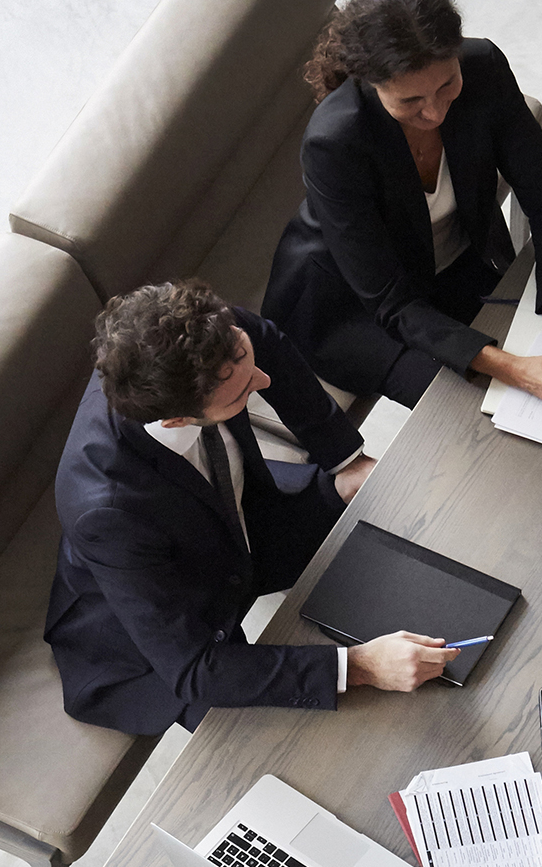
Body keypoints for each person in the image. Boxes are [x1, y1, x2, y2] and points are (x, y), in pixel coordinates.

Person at [47, 279, 453, 735]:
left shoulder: (205, 333)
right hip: (161, 630)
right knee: (290, 737)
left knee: (406, 524)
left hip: (245, 522)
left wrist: (348, 460)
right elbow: (197, 671)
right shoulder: (107, 510)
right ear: (178, 419)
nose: (262, 382)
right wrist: (356, 666)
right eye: (242, 395)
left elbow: (268, 345)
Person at [263, 0, 542, 410]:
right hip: (352, 305)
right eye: (411, 101)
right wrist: (511, 367)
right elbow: (391, 301)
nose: (435, 111)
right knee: (468, 413)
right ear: (371, 83)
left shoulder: (483, 66)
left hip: (452, 265)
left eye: (447, 85)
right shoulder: (335, 142)